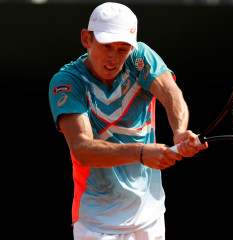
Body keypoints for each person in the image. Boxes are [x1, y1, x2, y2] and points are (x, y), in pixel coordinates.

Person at [48, 2, 207, 240]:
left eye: (123, 49)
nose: (113, 57)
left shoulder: (139, 58)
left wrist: (179, 131)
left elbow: (170, 92)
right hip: (96, 224)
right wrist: (141, 153)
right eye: (106, 46)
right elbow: (82, 149)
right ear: (86, 39)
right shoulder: (68, 82)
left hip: (150, 218)